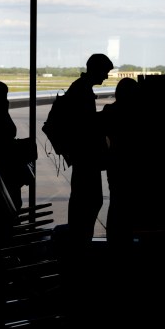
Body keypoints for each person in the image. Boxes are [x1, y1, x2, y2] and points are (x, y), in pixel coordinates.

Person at [65, 53, 114, 249]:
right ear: (97, 69)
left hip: (82, 159)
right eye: (105, 72)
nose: (107, 77)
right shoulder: (82, 91)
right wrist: (105, 117)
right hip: (86, 159)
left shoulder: (80, 88)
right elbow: (85, 126)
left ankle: (80, 244)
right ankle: (80, 246)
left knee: (85, 201)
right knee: (88, 202)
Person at [102, 77, 141, 251]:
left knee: (116, 203)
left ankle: (115, 242)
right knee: (132, 204)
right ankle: (129, 241)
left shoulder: (110, 110)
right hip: (134, 165)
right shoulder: (139, 113)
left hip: (116, 164)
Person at [0, 80, 33, 209]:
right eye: (4, 95)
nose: (6, 98)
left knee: (13, 199)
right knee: (14, 200)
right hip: (7, 162)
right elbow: (8, 135)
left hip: (2, 161)